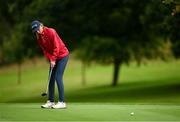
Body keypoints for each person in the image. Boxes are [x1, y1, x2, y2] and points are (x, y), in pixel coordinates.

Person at [31, 20, 69, 109]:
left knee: (58, 77)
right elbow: (45, 51)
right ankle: (51, 101)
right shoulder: (39, 37)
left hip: (63, 55)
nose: (37, 31)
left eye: (37, 29)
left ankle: (62, 102)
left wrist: (53, 59)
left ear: (41, 25)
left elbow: (57, 47)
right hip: (54, 57)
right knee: (51, 77)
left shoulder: (51, 31)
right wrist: (51, 59)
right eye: (35, 31)